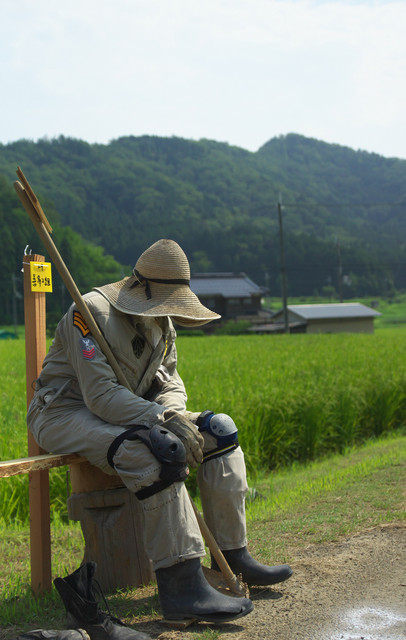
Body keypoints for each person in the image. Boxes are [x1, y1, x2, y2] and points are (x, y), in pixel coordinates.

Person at [27, 239, 292, 637]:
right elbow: (100, 397)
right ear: (141, 289)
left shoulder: (162, 321)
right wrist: (163, 420)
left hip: (133, 411)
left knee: (219, 430)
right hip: (64, 413)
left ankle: (232, 555)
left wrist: (173, 414)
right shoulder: (89, 312)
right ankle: (181, 585)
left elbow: (170, 383)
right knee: (152, 451)